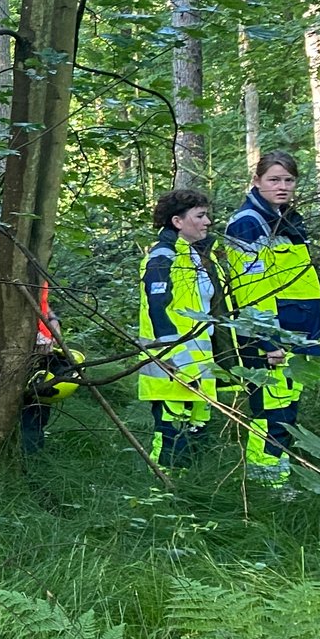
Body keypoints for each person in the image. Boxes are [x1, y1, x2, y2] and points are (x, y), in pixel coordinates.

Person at [224, 152, 320, 485]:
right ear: (257, 181)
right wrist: (267, 340)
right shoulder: (247, 223)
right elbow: (249, 288)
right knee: (270, 411)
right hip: (272, 338)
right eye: (274, 180)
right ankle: (266, 481)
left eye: (288, 180)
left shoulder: (291, 219)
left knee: (287, 409)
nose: (282, 186)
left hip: (298, 334)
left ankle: (276, 476)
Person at [140, 188, 220, 469]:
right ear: (177, 221)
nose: (207, 222)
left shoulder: (197, 257)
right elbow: (158, 310)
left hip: (199, 367)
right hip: (172, 368)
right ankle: (162, 496)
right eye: (200, 216)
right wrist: (173, 360)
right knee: (171, 439)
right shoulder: (163, 258)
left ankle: (189, 497)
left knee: (197, 437)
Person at [0, 233, 63, 453]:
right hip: (0, 350)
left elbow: (40, 303)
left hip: (40, 350)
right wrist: (28, 334)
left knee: (35, 417)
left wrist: (53, 322)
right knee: (2, 416)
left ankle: (32, 471)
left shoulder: (28, 256)